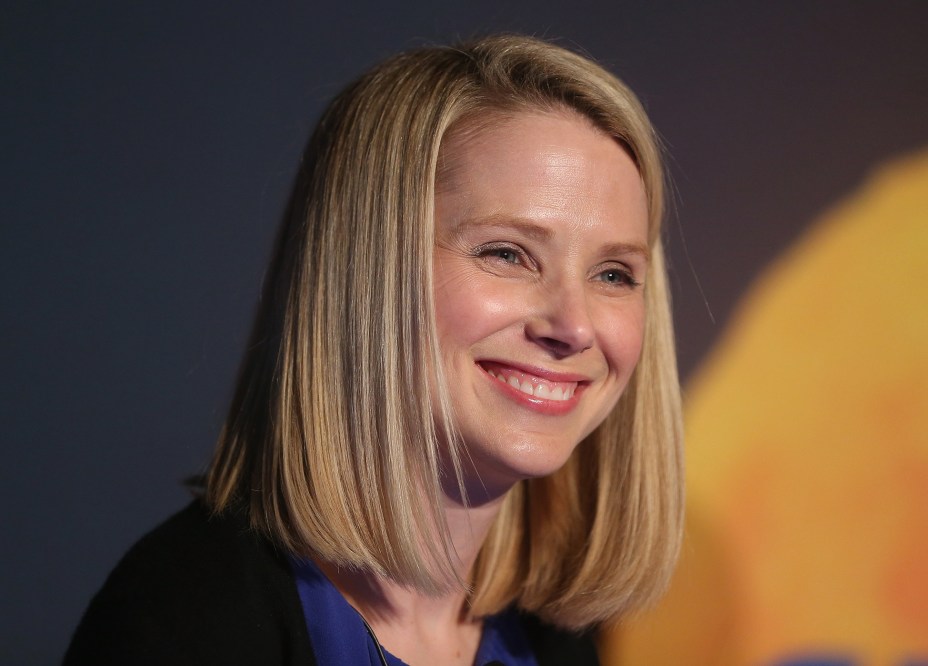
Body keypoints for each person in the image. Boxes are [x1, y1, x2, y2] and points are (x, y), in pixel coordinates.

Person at [64, 34, 684, 665]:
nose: (574, 325)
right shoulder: (186, 624)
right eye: (507, 254)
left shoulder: (558, 642)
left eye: (613, 273)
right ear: (363, 271)